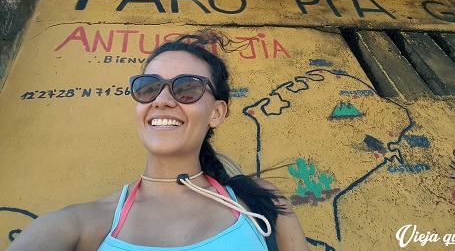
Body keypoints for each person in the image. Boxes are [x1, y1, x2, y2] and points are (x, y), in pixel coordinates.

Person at [8, 31, 310, 251]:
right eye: (149, 87)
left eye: (187, 88)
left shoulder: (259, 203)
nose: (162, 100)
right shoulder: (83, 224)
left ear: (217, 113)